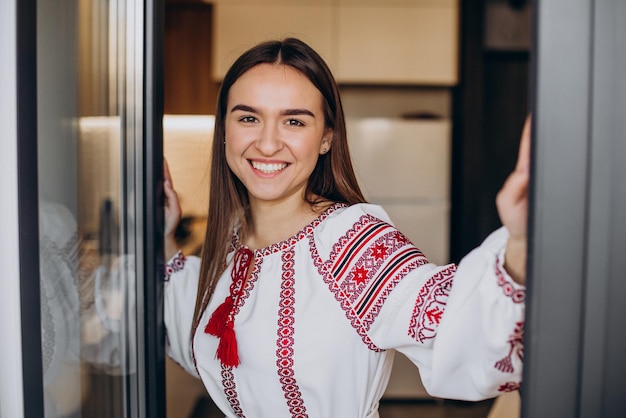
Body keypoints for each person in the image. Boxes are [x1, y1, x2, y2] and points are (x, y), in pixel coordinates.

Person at [163, 37, 529, 418]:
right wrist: (163, 237)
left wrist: (518, 245)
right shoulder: (234, 236)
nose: (268, 143)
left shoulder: (350, 241)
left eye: (293, 121)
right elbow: (200, 328)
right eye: (249, 118)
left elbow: (454, 328)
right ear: (224, 129)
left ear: (326, 138)